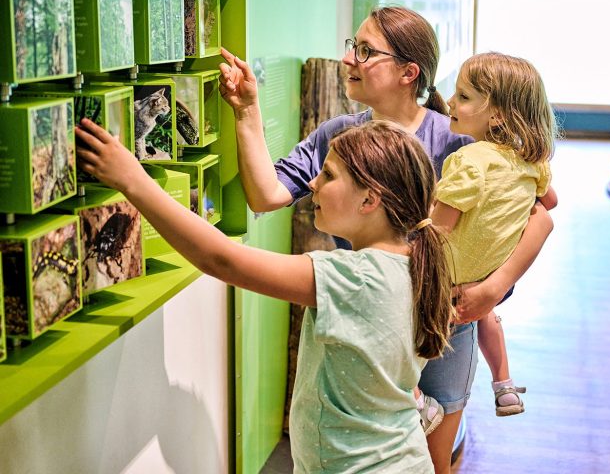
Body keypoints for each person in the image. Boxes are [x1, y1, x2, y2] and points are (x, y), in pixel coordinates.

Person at [218, 5, 554, 474]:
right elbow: (266, 193)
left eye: (365, 50)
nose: (349, 60)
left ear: (407, 72)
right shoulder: (340, 135)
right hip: (365, 325)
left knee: (432, 460)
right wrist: (247, 112)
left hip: (447, 322)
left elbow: (537, 216)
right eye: (353, 47)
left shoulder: (459, 140)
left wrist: (492, 291)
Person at [76, 118, 453, 474]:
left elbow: (222, 259)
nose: (313, 184)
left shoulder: (356, 278)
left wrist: (134, 181)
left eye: (328, 175)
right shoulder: (411, 265)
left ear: (370, 200)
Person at [426, 52, 558, 421]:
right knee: (489, 318)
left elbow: (437, 231)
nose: (451, 102)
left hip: (446, 279)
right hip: (484, 277)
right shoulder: (531, 163)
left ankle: (419, 403)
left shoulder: (469, 161)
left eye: (464, 97)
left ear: (497, 113)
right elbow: (549, 202)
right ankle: (504, 386)